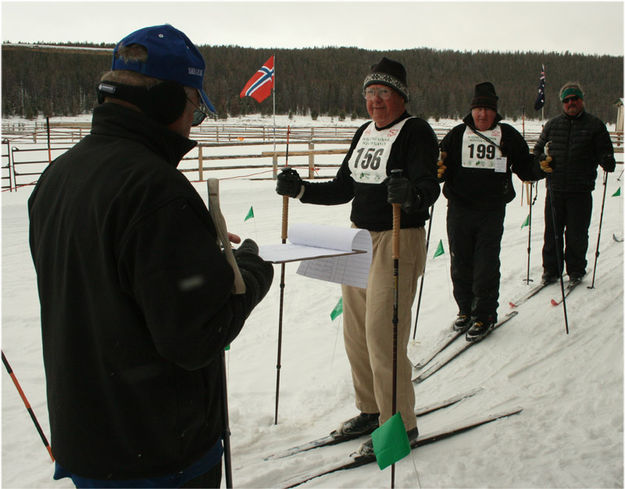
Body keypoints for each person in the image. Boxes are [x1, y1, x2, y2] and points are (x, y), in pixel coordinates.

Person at [28, 24, 274, 488]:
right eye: (194, 109)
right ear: (165, 102)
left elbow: (110, 281)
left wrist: (195, 253)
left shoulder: (58, 176)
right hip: (160, 456)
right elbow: (198, 336)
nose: (190, 125)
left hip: (90, 443)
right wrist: (249, 273)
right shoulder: (157, 191)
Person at [276, 57, 439, 455]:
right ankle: (371, 408)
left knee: (384, 334)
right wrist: (300, 190)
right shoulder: (365, 132)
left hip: (399, 237)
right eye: (370, 93)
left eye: (383, 93)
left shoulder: (416, 132)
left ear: (400, 96)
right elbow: (343, 187)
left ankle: (398, 423)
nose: (375, 101)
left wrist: (412, 196)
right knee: (356, 332)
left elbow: (428, 187)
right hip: (360, 239)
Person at [437, 82, 541, 342]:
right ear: (471, 110)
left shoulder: (507, 135)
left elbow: (526, 168)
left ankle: (484, 313)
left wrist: (544, 168)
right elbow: (440, 164)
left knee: (485, 264)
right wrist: (436, 171)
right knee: (460, 262)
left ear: (495, 112)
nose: (482, 114)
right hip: (459, 208)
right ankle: (465, 309)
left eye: (487, 109)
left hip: (490, 211)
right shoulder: (457, 134)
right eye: (477, 109)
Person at [534, 82, 616, 286]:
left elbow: (607, 155)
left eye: (575, 99)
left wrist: (606, 160)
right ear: (563, 103)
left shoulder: (595, 125)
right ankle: (551, 270)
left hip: (581, 190)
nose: (571, 103)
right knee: (552, 232)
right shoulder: (552, 125)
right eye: (567, 100)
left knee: (577, 233)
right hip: (555, 189)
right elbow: (537, 151)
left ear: (582, 100)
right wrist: (542, 159)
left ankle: (576, 269)